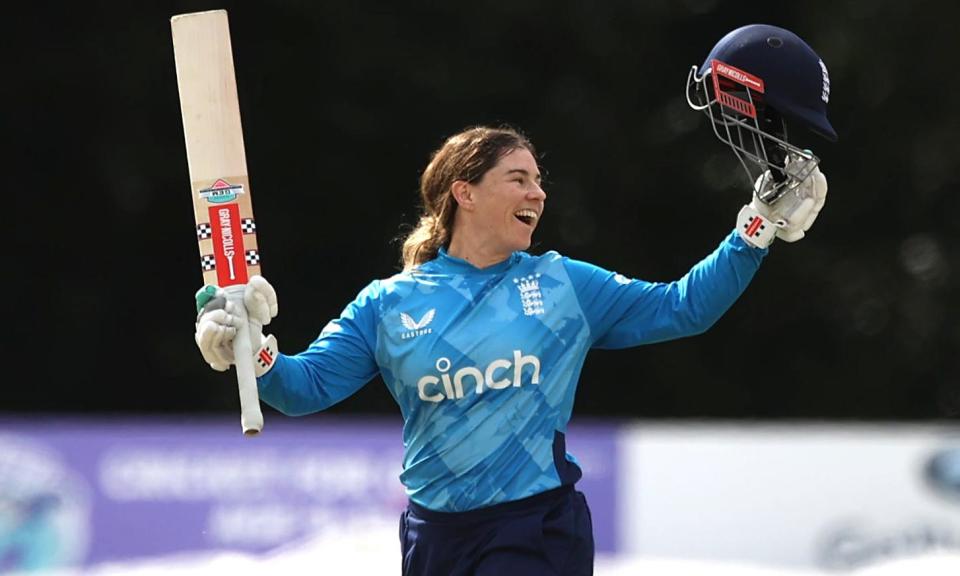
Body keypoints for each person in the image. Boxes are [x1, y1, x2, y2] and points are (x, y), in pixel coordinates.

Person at [192, 23, 835, 576]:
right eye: (517, 178)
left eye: (539, 180)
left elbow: (683, 308)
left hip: (536, 528)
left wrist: (753, 231)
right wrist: (250, 353)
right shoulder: (389, 304)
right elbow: (304, 389)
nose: (538, 193)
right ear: (464, 193)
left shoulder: (565, 285)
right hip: (432, 538)